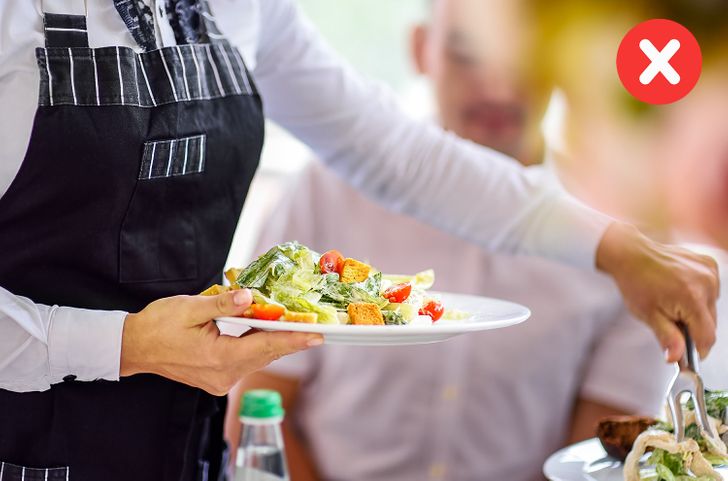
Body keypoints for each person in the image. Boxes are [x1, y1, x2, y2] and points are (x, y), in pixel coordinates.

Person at [0, 1, 718, 480]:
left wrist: (614, 247)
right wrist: (125, 344)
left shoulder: (246, 8)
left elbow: (399, 155)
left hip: (177, 451)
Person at [224, 0, 673, 479]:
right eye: (466, 55)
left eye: (523, 59)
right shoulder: (325, 191)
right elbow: (258, 405)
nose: (498, 88)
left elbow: (602, 451)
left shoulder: (632, 237)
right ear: (421, 50)